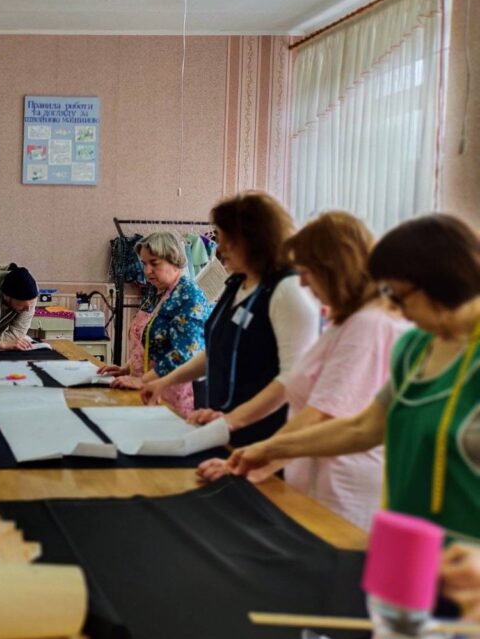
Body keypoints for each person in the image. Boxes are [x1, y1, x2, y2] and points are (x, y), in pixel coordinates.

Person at [228, 214, 480, 545]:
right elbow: (362, 428)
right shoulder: (414, 347)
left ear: (441, 281)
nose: (398, 309)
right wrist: (266, 449)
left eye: (400, 295)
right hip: (409, 536)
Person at [194, 212, 406, 530]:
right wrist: (260, 461)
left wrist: (254, 455)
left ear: (332, 270)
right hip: (317, 477)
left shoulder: (368, 326)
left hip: (342, 489)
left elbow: (320, 414)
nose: (303, 282)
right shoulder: (348, 322)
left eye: (306, 272)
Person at [143, 193, 320, 446]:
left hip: (266, 435)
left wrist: (232, 420)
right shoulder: (237, 283)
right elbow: (215, 350)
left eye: (228, 241)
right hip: (226, 425)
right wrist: (163, 382)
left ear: (255, 240)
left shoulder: (287, 290)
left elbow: (293, 378)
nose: (219, 248)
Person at [97, 231, 209, 415]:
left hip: (172, 395)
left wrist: (143, 380)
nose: (147, 271)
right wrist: (127, 368)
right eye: (144, 264)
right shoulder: (156, 292)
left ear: (173, 259)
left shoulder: (189, 296)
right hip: (144, 389)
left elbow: (185, 353)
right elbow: (148, 341)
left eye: (154, 263)